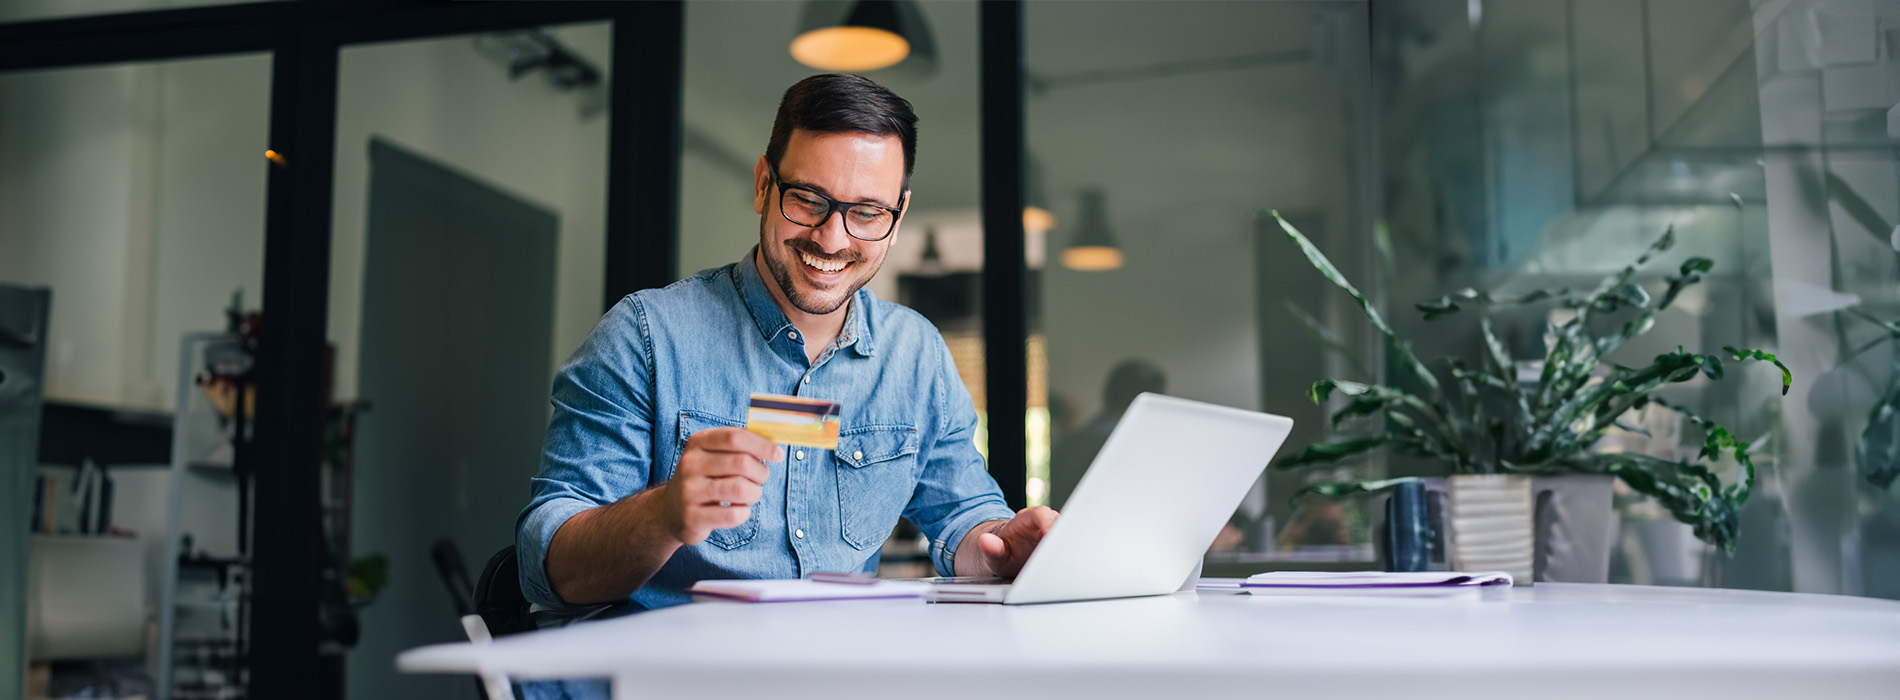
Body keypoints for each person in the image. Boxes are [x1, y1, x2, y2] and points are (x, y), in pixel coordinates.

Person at [516, 74, 1058, 620]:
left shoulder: (916, 354)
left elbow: (964, 512)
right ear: (762, 185)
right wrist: (662, 516)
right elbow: (547, 564)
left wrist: (999, 544)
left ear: (897, 218)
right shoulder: (644, 337)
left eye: (867, 213)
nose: (832, 238)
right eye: (808, 199)